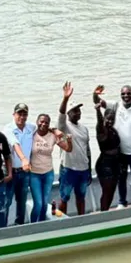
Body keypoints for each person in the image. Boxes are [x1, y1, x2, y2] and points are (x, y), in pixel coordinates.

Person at [93, 85, 131, 207]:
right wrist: (95, 94)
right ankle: (122, 202)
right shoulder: (115, 105)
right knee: (122, 178)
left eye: (128, 93)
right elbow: (98, 103)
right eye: (123, 94)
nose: (126, 96)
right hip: (120, 153)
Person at [28, 114, 73, 223]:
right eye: (41, 121)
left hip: (48, 173)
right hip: (34, 174)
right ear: (37, 121)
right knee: (38, 204)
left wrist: (68, 139)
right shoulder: (31, 134)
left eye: (46, 122)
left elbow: (68, 148)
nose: (43, 124)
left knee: (44, 203)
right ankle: (32, 225)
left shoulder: (52, 136)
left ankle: (42, 224)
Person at [57, 82, 92, 215]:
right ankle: (62, 221)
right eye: (75, 111)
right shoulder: (64, 126)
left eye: (79, 110)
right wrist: (65, 98)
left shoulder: (84, 128)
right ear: (69, 113)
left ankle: (81, 219)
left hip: (83, 169)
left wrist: (89, 169)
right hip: (68, 169)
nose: (78, 113)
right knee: (64, 197)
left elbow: (87, 150)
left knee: (81, 197)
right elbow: (61, 114)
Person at [3, 104, 34, 225]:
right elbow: (15, 144)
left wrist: (56, 131)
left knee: (22, 202)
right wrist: (24, 159)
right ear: (14, 114)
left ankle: (19, 226)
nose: (22, 117)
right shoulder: (8, 129)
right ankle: (3, 228)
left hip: (24, 172)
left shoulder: (31, 127)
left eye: (24, 114)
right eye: (19, 114)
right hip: (10, 171)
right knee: (6, 202)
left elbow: (44, 128)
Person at [93, 101, 122, 211]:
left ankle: (106, 211)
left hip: (115, 163)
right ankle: (103, 214)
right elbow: (99, 123)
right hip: (105, 165)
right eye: (108, 119)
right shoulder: (102, 131)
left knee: (112, 191)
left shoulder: (113, 130)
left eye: (112, 119)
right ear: (104, 118)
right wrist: (98, 111)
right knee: (107, 191)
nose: (110, 121)